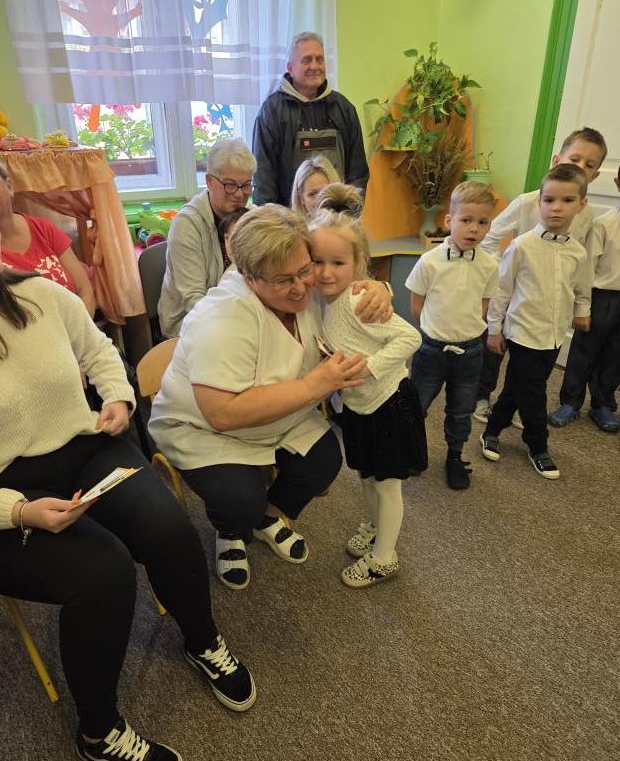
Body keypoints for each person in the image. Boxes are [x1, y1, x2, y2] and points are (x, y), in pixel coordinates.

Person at [0, 207, 255, 761]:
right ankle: (98, 732)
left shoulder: (36, 293)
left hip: (81, 446)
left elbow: (99, 349)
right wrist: (18, 512)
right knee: (102, 572)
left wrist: (117, 396)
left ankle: (202, 640)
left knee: (169, 529)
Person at [149, 203, 392, 590]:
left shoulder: (307, 284)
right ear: (248, 276)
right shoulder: (220, 319)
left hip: (280, 415)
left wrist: (378, 288)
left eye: (304, 270)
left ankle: (268, 518)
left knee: (324, 461)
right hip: (204, 428)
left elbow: (346, 278)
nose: (301, 287)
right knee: (238, 501)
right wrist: (315, 385)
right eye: (283, 280)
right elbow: (221, 414)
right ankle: (232, 531)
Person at [308, 187, 426, 587]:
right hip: (358, 406)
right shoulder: (321, 301)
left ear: (358, 264)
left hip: (388, 404)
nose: (326, 272)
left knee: (388, 485)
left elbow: (410, 337)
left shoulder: (357, 301)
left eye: (338, 263)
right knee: (369, 478)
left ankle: (384, 558)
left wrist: (370, 368)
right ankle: (377, 530)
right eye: (318, 261)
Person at [474, 127, 607, 424]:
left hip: (548, 299)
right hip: (514, 288)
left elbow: (584, 263)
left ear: (596, 175)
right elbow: (490, 237)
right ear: (557, 160)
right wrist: (501, 271)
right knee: (494, 345)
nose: (580, 167)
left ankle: (521, 402)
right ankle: (482, 394)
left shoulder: (586, 214)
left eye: (589, 165)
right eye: (574, 159)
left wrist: (582, 306)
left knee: (535, 358)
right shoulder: (528, 201)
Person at [480, 164, 593, 479]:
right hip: (523, 331)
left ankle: (492, 429)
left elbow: (581, 286)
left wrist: (582, 310)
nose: (556, 208)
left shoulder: (577, 252)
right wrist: (494, 329)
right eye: (549, 200)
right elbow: (501, 290)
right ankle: (538, 444)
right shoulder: (522, 245)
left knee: (519, 386)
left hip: (554, 334)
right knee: (533, 391)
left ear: (581, 205)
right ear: (539, 202)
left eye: (567, 200)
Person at [406, 181, 499, 490]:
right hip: (432, 349)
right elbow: (417, 304)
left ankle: (455, 457)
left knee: (461, 410)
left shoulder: (489, 265)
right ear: (449, 220)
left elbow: (483, 305)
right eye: (466, 219)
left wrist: (467, 329)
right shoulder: (429, 261)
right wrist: (433, 331)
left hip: (470, 351)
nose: (474, 228)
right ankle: (412, 452)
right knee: (416, 404)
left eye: (483, 222)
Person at [252, 31, 369, 206]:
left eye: (319, 59)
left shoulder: (343, 109)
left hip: (337, 217)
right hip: (290, 218)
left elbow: (358, 173)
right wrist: (273, 220)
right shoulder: (272, 112)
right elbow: (264, 179)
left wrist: (348, 213)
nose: (315, 66)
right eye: (306, 60)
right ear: (290, 68)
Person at [158, 138, 257, 338]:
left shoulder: (251, 215)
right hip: (188, 324)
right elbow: (194, 302)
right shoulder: (187, 224)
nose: (240, 194)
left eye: (246, 185)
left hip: (237, 314)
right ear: (210, 181)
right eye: (230, 185)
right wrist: (239, 327)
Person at [549, 164, 620, 433]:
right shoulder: (604, 225)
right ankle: (570, 401)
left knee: (616, 353)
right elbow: (587, 268)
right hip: (602, 296)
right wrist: (583, 308)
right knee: (584, 351)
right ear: (618, 183)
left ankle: (603, 403)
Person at [0, 149, 95, 317]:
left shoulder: (42, 228)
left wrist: (81, 331)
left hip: (78, 328)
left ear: (9, 186)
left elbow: (85, 290)